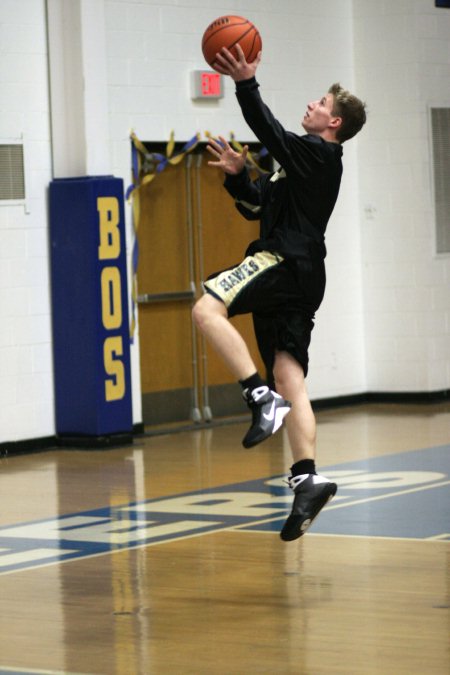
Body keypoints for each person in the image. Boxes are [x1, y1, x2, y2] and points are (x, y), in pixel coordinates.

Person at [192, 45, 367, 541]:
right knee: (291, 375)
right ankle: (308, 478)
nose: (312, 105)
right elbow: (257, 206)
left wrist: (246, 81)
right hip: (303, 273)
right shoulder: (303, 165)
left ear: (333, 123)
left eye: (320, 103)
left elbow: (269, 131)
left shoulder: (317, 153)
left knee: (206, 308)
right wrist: (237, 177)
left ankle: (256, 397)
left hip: (282, 261)